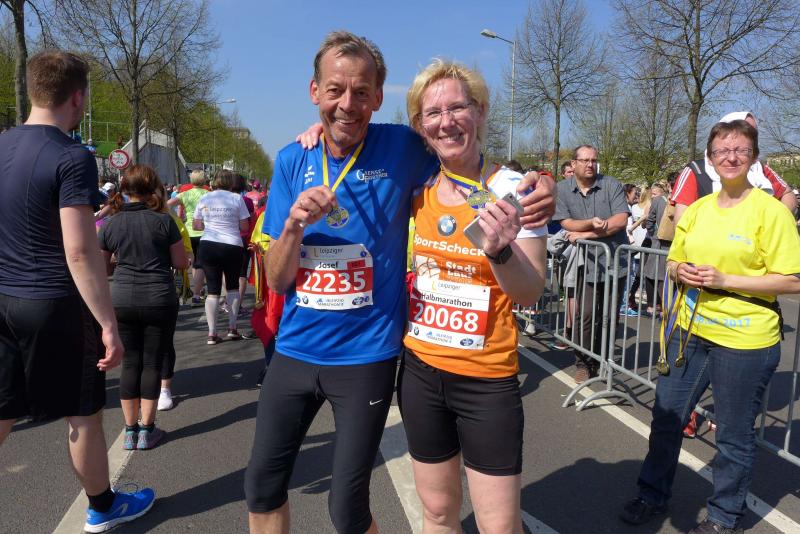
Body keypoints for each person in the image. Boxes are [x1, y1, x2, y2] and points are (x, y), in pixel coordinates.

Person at [244, 31, 556, 534]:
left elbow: (468, 161)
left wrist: (545, 183)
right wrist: (294, 226)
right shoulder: (293, 158)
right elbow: (278, 281)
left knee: (348, 511)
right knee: (261, 487)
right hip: (301, 351)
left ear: (377, 99)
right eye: (334, 91)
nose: (348, 104)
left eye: (361, 92)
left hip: (370, 358)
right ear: (315, 91)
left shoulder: (406, 149)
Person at [620, 120, 800, 534]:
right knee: (667, 417)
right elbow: (673, 260)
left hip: (744, 340)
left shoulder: (772, 212)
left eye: (740, 150)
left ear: (754, 157)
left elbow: (792, 280)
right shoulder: (699, 209)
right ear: (710, 158)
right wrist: (679, 269)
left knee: (733, 436)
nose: (730, 157)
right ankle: (652, 494)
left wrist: (726, 280)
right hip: (690, 333)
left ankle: (723, 517)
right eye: (722, 150)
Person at [0, 50, 154, 532]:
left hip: (3, 296)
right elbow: (80, 251)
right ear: (78, 97)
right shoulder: (72, 156)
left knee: (2, 409)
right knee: (82, 413)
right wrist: (108, 324)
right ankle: (103, 507)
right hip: (53, 302)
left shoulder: (1, 144)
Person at [399, 59, 547, 534]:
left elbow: (530, 292)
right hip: (421, 371)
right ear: (421, 126)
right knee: (438, 513)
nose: (446, 122)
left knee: (498, 525)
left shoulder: (512, 190)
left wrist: (499, 250)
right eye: (433, 113)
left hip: (486, 379)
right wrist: (317, 132)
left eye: (458, 108)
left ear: (480, 112)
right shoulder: (416, 182)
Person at [98, 165, 188, 448]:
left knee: (129, 363)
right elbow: (181, 262)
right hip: (159, 298)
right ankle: (147, 430)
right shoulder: (164, 221)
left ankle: (129, 431)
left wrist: (122, 261)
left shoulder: (111, 223)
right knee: (152, 362)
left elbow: (102, 267)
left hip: (122, 298)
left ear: (124, 189)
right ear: (153, 188)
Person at [553, 145, 630, 383]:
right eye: (585, 160)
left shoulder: (611, 184)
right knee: (584, 315)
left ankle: (604, 361)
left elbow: (620, 220)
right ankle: (583, 363)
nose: (590, 164)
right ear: (573, 163)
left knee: (609, 317)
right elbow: (566, 222)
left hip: (614, 261)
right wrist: (591, 223)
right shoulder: (562, 188)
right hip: (585, 263)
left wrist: (587, 234)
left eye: (594, 160)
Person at [671, 111, 797, 224]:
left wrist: (776, 223)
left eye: (753, 132)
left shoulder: (761, 169)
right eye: (743, 128)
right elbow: (682, 219)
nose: (732, 158)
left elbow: (787, 194)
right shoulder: (696, 170)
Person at [193, 169, 251, 344]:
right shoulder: (237, 199)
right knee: (232, 287)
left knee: (212, 290)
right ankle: (232, 328)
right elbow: (244, 227)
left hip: (208, 244)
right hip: (232, 245)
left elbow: (196, 225)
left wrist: (210, 224)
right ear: (231, 183)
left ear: (214, 182)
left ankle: (212, 334)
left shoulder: (205, 198)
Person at [168, 169, 210, 305]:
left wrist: (175, 219)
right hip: (204, 232)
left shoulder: (184, 194)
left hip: (188, 232)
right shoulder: (208, 194)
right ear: (204, 179)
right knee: (200, 265)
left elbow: (167, 205)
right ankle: (197, 296)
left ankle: (190, 290)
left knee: (192, 263)